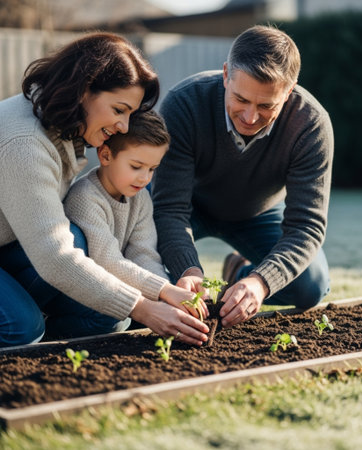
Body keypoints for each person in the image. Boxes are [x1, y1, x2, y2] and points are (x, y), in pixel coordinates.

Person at [0, 32, 209, 348]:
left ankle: (43, 335)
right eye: (119, 109)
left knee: (104, 314)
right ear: (84, 91)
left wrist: (159, 292)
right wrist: (142, 307)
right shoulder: (26, 144)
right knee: (21, 328)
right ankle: (28, 321)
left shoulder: (64, 129)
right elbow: (54, 256)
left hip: (8, 246)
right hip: (26, 252)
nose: (124, 127)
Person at [152, 25, 334, 328]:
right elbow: (169, 209)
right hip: (189, 208)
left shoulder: (311, 126)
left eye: (266, 106)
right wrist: (187, 270)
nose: (250, 117)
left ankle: (238, 273)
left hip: (258, 213)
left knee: (311, 287)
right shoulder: (184, 104)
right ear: (225, 75)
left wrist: (259, 282)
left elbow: (307, 227)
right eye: (240, 99)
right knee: (150, 277)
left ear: (289, 91)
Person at [64, 109, 207, 322]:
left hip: (118, 284)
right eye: (136, 166)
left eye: (152, 169)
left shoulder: (140, 198)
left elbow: (144, 254)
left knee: (150, 314)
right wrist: (164, 291)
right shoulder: (84, 197)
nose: (145, 178)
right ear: (105, 155)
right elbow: (108, 262)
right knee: (117, 321)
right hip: (77, 292)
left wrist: (167, 301)